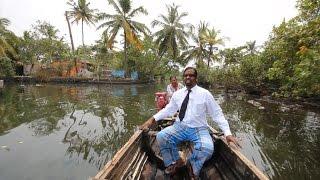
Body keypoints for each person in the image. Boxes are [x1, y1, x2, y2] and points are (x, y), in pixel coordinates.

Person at [141, 67, 239, 179]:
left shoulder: (205, 94)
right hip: (180, 126)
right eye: (186, 75)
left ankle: (192, 166)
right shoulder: (178, 94)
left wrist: (228, 133)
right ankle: (175, 162)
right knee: (161, 136)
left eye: (191, 75)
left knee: (207, 148)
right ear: (183, 78)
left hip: (199, 128)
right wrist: (152, 119)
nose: (188, 77)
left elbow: (217, 114)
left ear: (196, 78)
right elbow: (169, 110)